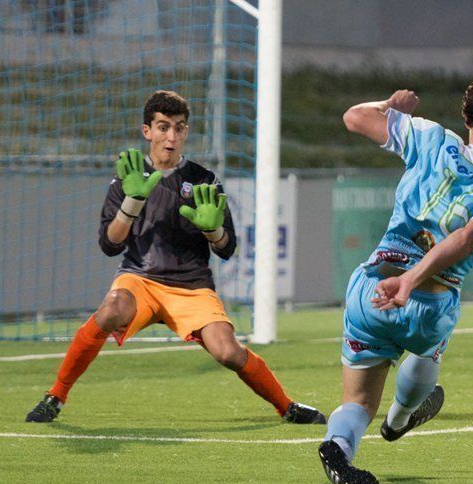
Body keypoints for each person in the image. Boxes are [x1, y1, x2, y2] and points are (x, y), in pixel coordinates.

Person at [26, 90, 325, 425]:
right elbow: (110, 245)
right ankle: (55, 396)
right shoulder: (127, 179)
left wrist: (212, 230)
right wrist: (132, 200)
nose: (171, 137)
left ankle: (287, 407)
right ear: (147, 131)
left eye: (179, 128)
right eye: (163, 127)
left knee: (228, 352)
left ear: (186, 132)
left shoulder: (203, 180)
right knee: (110, 310)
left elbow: (226, 249)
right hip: (139, 279)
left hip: (191, 286)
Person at [318, 71, 473, 484]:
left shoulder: (431, 137)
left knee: (358, 401)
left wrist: (388, 106)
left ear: (467, 118)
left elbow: (353, 117)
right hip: (425, 305)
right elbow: (466, 236)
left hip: (371, 290)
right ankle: (398, 421)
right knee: (429, 346)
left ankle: (338, 446)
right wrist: (413, 281)